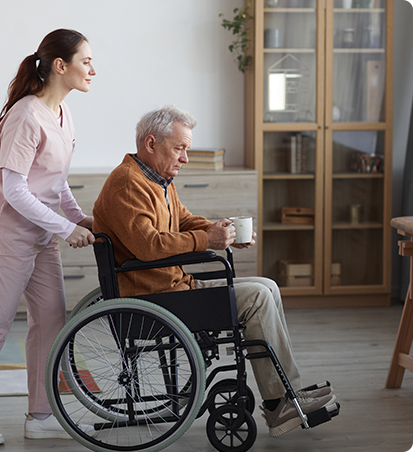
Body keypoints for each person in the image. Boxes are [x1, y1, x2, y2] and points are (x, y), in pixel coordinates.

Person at [93, 105, 337, 438]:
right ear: (151, 144)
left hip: (174, 290)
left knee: (267, 286)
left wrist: (220, 231)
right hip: (153, 300)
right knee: (257, 297)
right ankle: (280, 403)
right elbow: (149, 246)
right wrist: (207, 239)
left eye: (186, 149)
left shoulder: (158, 180)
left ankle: (286, 394)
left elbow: (184, 220)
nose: (185, 158)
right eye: (179, 148)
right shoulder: (128, 185)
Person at [0, 29, 96, 446]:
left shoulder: (63, 114)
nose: (92, 70)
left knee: (51, 323)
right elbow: (15, 188)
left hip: (40, 238)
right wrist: (67, 227)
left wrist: (81, 219)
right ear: (60, 66)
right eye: (86, 61)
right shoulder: (26, 116)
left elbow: (55, 182)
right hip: (6, 237)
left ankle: (41, 414)